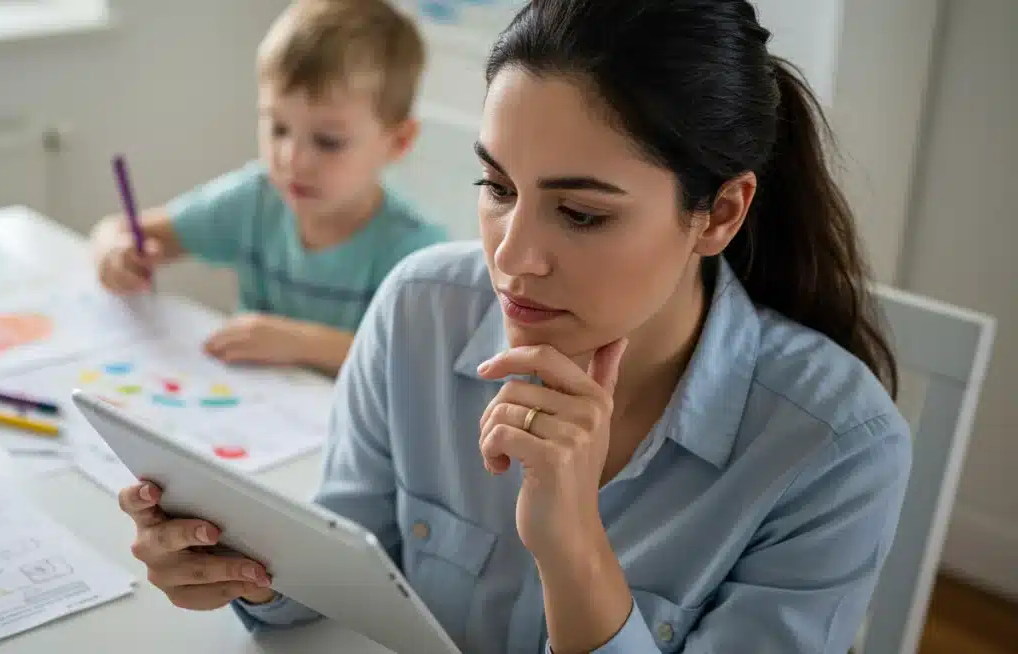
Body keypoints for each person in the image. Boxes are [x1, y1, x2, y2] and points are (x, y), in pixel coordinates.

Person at [116, 0, 913, 651]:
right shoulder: (419, 310)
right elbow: (346, 564)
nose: (514, 258)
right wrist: (232, 566)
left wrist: (573, 549)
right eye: (497, 187)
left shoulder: (836, 449)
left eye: (580, 213)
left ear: (720, 213)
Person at [90, 0, 447, 377]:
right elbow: (119, 229)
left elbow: (419, 360)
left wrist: (299, 343)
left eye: (328, 141)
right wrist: (112, 251)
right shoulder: (256, 198)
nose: (292, 158)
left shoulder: (416, 252)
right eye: (278, 128)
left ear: (398, 142)